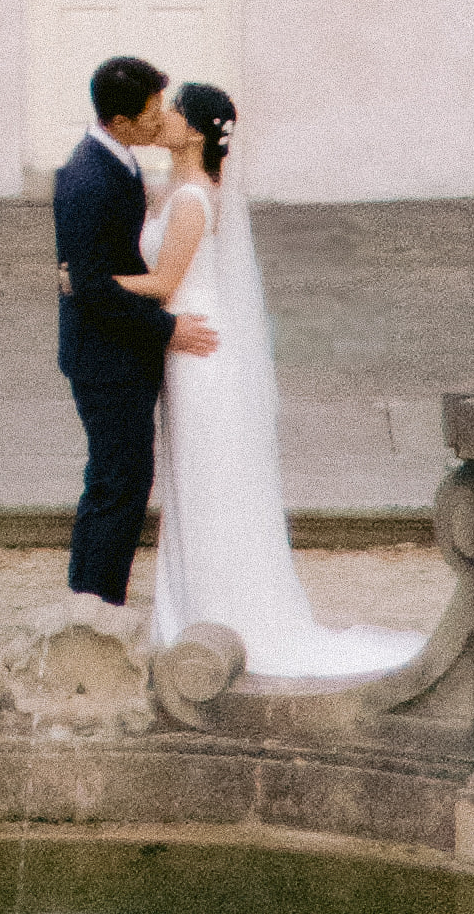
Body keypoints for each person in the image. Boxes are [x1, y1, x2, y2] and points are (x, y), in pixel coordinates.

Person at [135, 74, 315, 680]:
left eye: (173, 111)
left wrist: (87, 281)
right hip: (185, 343)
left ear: (193, 130)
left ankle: (213, 613)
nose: (164, 117)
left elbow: (164, 282)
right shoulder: (178, 187)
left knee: (205, 477)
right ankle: (191, 609)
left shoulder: (192, 198)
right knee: (193, 476)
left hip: (197, 352)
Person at [50, 48, 176, 605]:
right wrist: (168, 329)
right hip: (105, 358)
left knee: (119, 478)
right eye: (152, 111)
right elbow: (94, 288)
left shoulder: (118, 161)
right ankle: (94, 605)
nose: (160, 119)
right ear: (121, 120)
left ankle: (94, 598)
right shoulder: (88, 179)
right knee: (118, 482)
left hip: (120, 354)